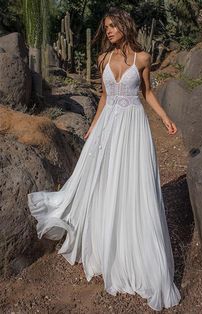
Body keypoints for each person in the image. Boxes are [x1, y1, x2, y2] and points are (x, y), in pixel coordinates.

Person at [28, 7, 181, 311]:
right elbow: (104, 97)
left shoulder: (143, 58)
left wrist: (164, 117)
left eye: (113, 26)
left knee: (133, 184)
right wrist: (93, 129)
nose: (109, 31)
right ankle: (101, 240)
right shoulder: (103, 60)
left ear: (125, 25)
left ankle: (133, 248)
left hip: (134, 127)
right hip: (109, 125)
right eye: (106, 27)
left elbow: (147, 93)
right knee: (101, 180)